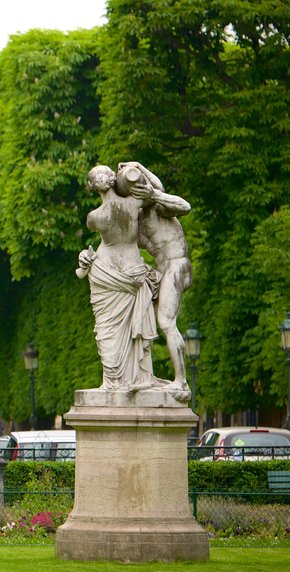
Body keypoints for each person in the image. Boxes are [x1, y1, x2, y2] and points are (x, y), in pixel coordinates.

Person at [77, 165, 164, 392]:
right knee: (128, 334)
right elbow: (158, 189)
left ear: (92, 187)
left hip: (106, 274)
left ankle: (114, 380)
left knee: (107, 332)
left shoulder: (94, 217)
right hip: (132, 270)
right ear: (114, 179)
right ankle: (134, 378)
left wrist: (86, 255)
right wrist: (139, 169)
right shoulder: (134, 204)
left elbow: (103, 245)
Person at [119, 161, 193, 396]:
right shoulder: (136, 220)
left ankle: (181, 381)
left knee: (166, 322)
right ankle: (142, 375)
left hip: (176, 265)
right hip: (161, 271)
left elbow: (185, 205)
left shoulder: (157, 207)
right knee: (136, 314)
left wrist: (141, 170)